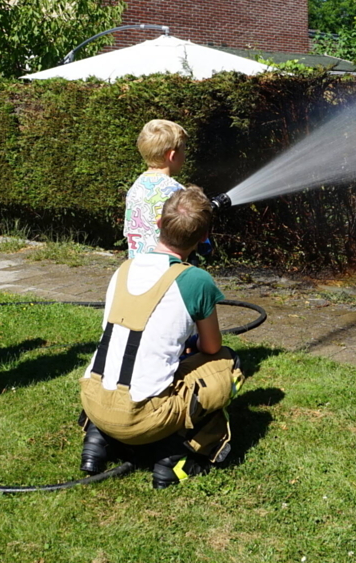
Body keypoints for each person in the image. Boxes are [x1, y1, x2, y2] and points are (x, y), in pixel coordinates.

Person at [80, 186, 243, 488]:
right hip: (143, 419)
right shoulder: (196, 280)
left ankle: (97, 438)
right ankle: (174, 456)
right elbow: (211, 346)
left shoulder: (125, 268)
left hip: (92, 399)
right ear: (203, 238)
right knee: (229, 363)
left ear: (158, 225)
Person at [123, 119, 188, 258]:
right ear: (172, 155)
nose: (185, 155)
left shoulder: (135, 188)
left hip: (136, 269)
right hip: (167, 271)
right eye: (184, 149)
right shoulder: (177, 191)